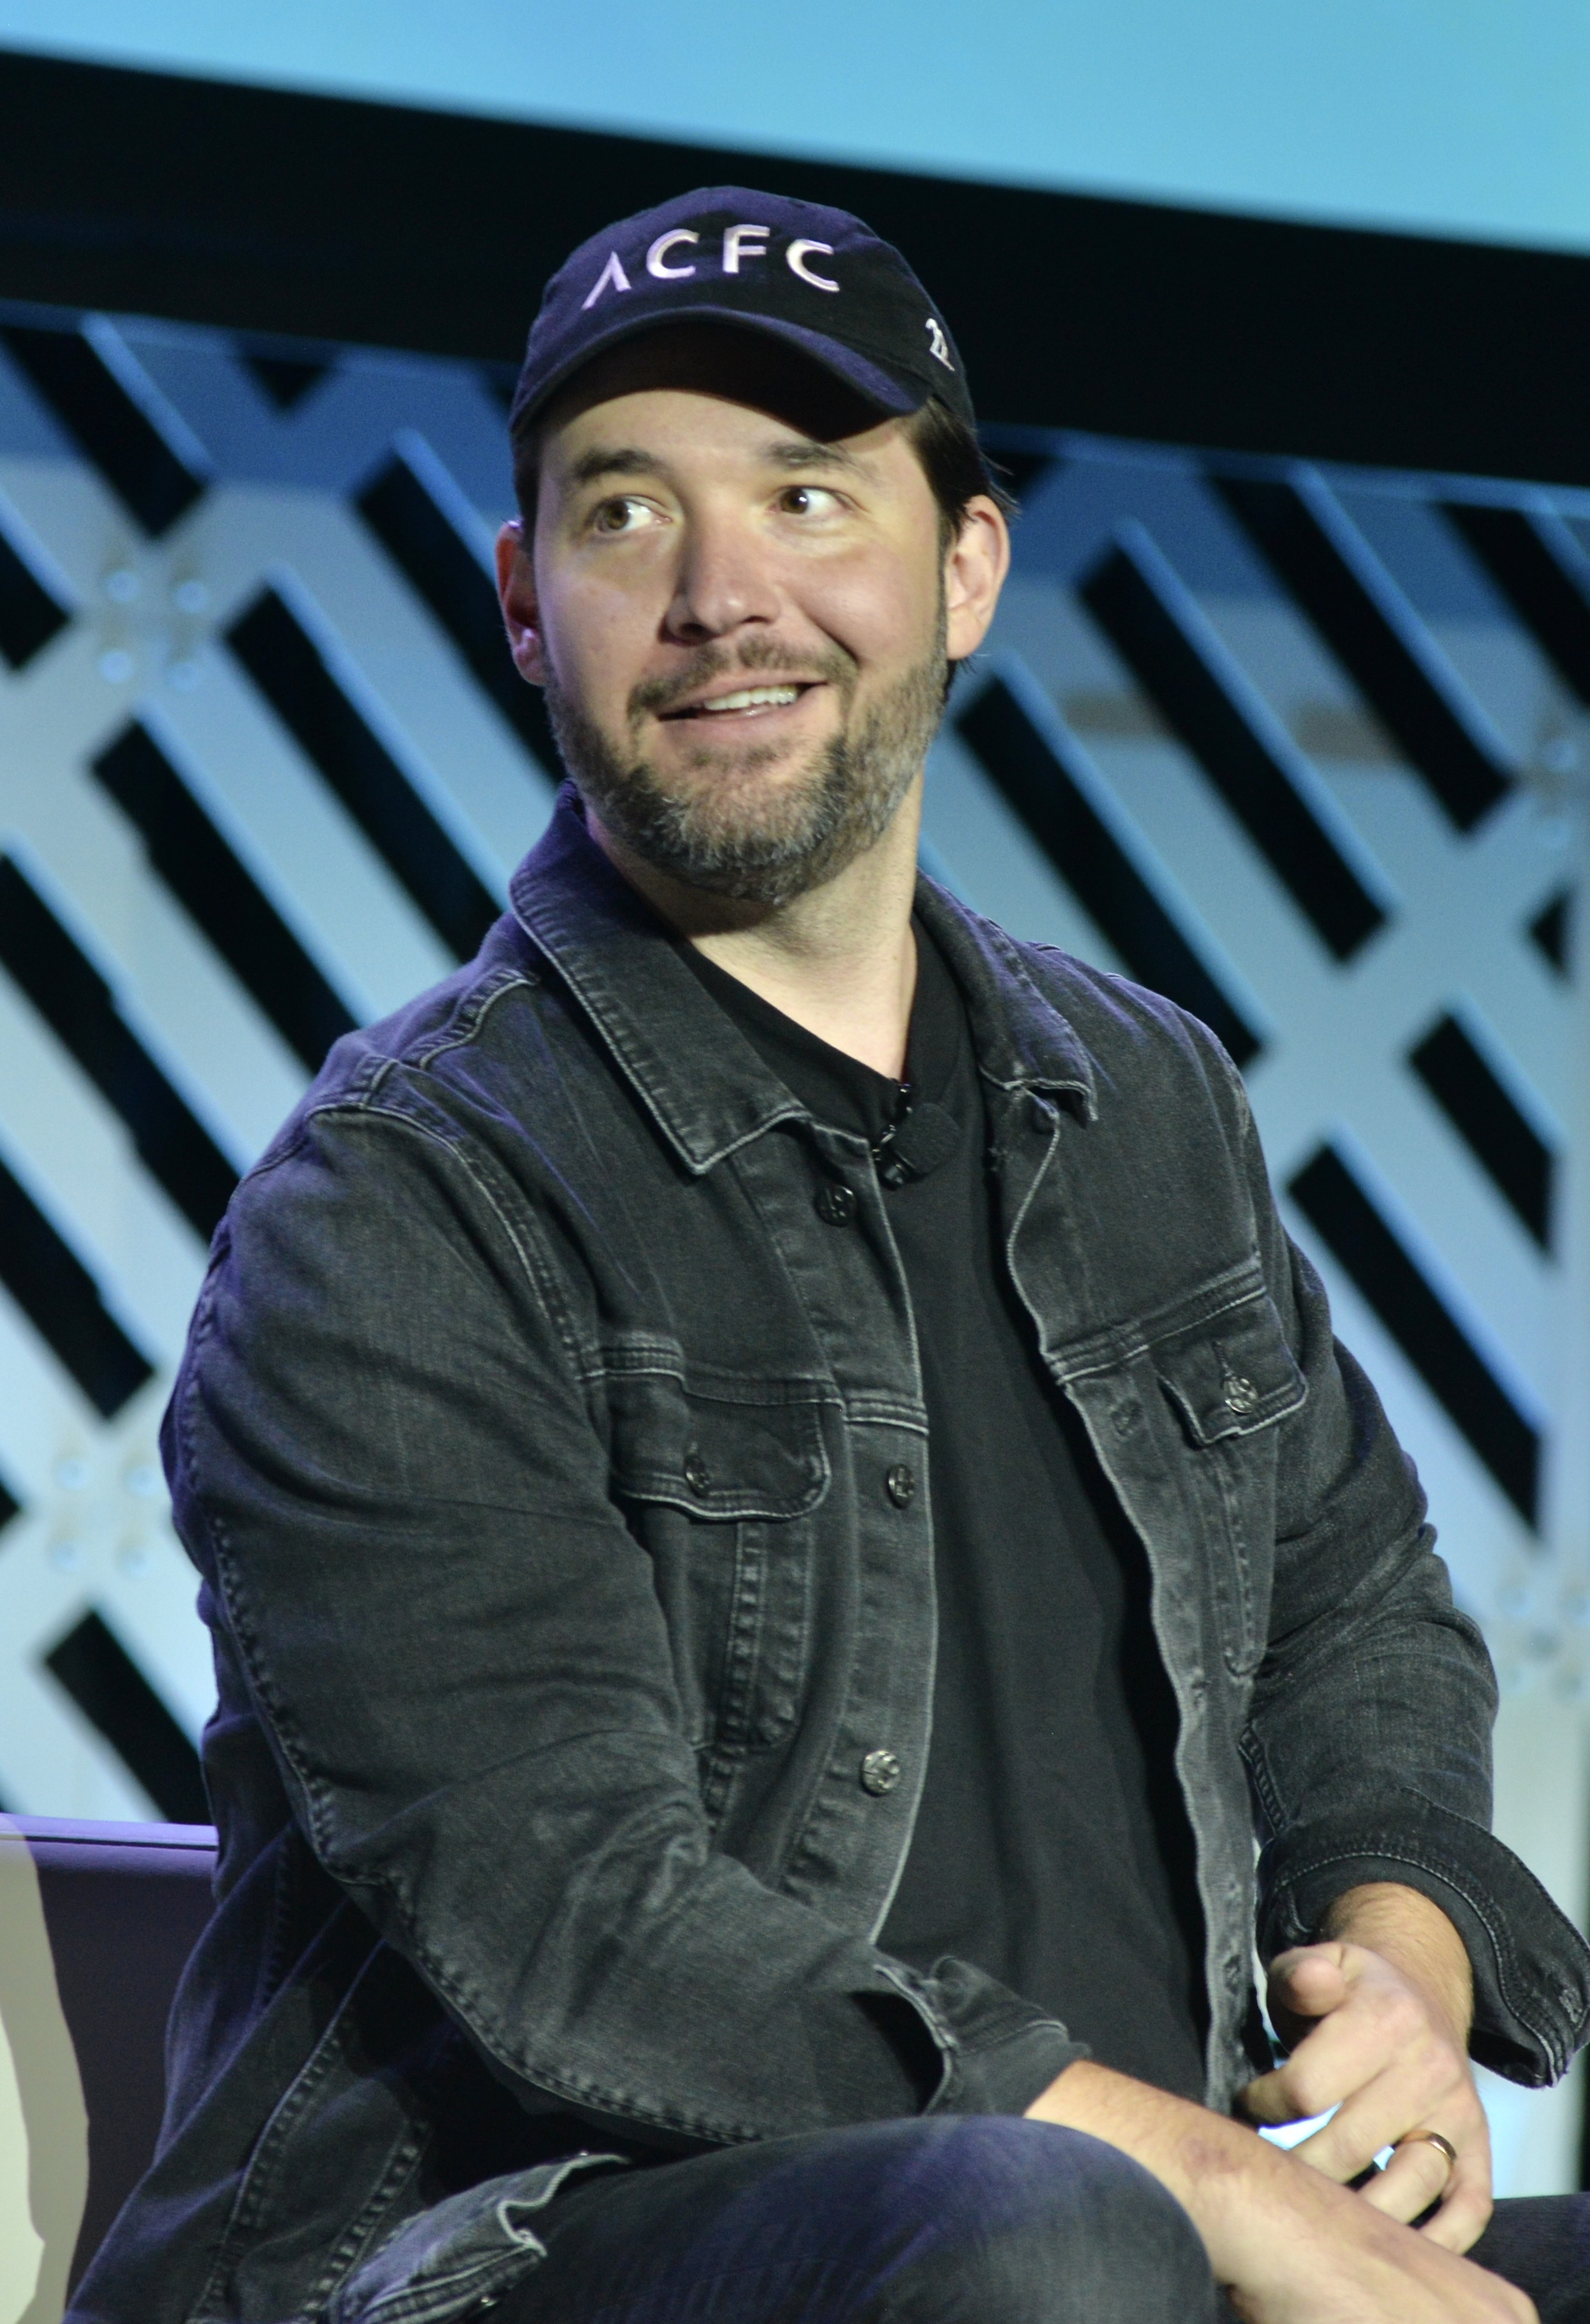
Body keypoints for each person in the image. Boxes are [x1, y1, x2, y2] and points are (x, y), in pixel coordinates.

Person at [73, 188, 1590, 2324]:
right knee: (1041, 2240)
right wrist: (1183, 2174)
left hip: (1115, 2229)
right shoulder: (397, 1203)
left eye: (809, 495)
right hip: (505, 2256)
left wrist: (1406, 1980)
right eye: (624, 517)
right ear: (526, 602)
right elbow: (579, 1917)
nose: (722, 596)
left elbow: (1353, 1621)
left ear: (964, 570)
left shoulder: (1147, 1099)